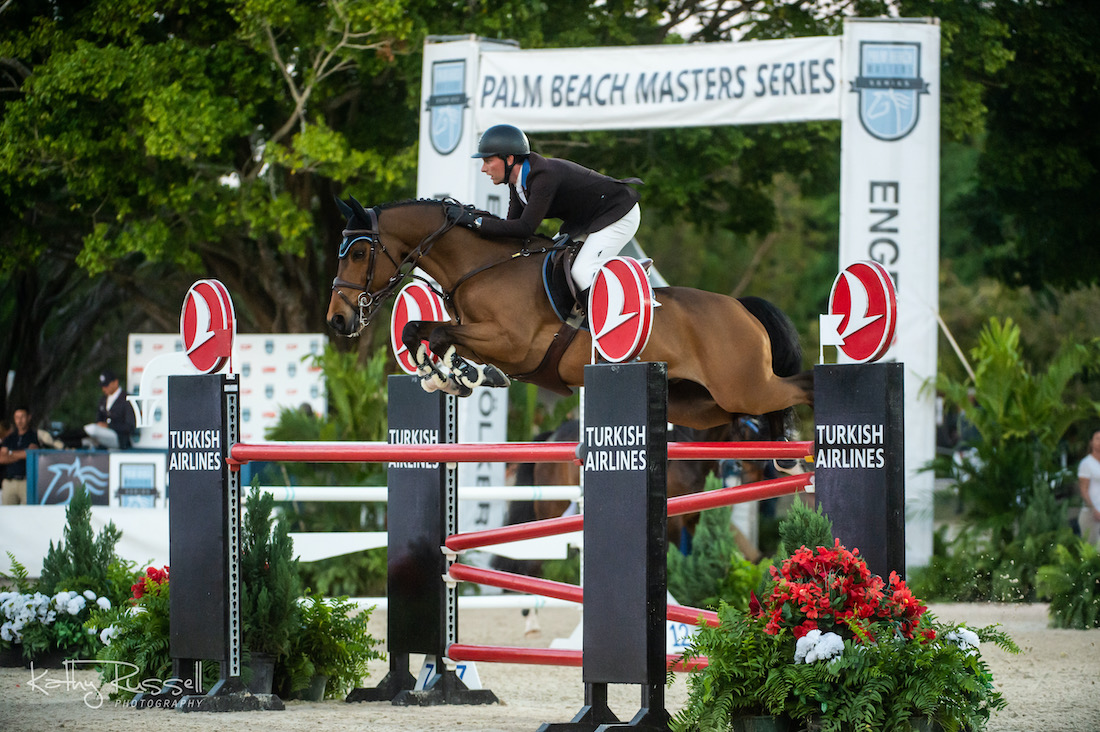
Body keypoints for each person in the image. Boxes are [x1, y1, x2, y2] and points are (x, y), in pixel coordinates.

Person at [454, 124, 643, 302]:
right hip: (586, 220)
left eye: (487, 161)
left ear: (509, 159)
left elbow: (524, 228)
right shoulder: (518, 182)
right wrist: (475, 224)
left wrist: (475, 222)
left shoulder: (544, 176)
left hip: (617, 213)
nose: (483, 168)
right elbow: (511, 231)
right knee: (547, 264)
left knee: (582, 272)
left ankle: (611, 314)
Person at [83, 369, 137, 449]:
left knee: (92, 429)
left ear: (115, 382)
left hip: (120, 438)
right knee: (85, 437)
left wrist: (109, 426)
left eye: (106, 385)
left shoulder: (127, 399)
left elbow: (130, 427)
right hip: (103, 436)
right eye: (102, 386)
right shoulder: (103, 400)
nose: (104, 389)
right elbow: (98, 420)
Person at [1, 407, 39, 505]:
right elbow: (1, 458)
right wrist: (21, 454)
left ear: (28, 417)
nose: (19, 420)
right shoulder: (10, 438)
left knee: (27, 514)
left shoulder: (33, 436)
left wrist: (10, 453)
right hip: (10, 481)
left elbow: (31, 453)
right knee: (8, 514)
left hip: (26, 481)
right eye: (17, 417)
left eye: (22, 417)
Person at [1078, 428, 1100, 546]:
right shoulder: (1086, 464)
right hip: (1091, 514)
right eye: (1097, 439)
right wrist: (1093, 510)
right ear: (1091, 442)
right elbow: (1083, 489)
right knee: (1092, 553)